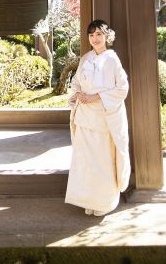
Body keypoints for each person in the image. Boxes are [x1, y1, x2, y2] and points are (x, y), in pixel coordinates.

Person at [64, 19, 130, 216]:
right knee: (85, 161)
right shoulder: (85, 58)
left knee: (103, 160)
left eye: (99, 34)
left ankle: (103, 202)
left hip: (104, 116)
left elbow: (122, 88)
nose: (95, 39)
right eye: (91, 35)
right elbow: (76, 82)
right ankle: (87, 199)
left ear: (107, 36)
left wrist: (97, 96)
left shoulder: (112, 59)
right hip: (84, 116)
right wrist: (76, 95)